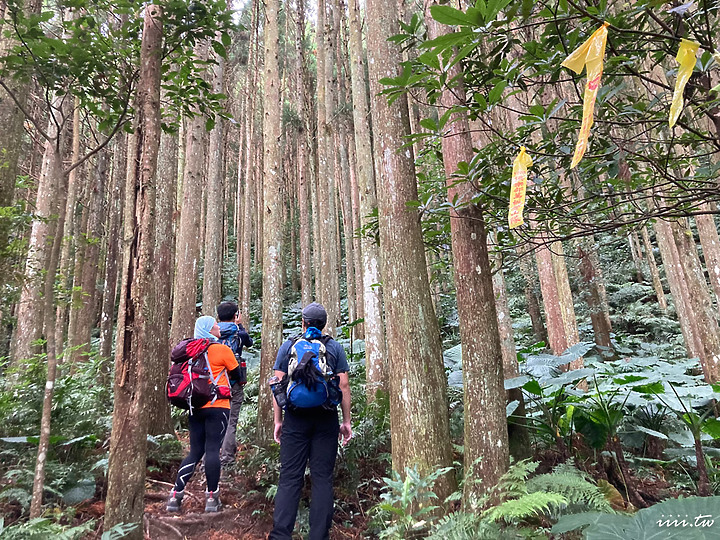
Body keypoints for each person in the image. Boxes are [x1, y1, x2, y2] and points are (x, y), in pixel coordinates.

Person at [270, 302, 352, 540]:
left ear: (303, 322)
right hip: (326, 418)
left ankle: (280, 535)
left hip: (295, 418)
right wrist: (346, 422)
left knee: (289, 477)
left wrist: (278, 420)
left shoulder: (288, 346)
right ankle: (318, 536)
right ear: (324, 324)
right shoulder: (334, 348)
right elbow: (344, 386)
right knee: (322, 478)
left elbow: (278, 385)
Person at [166, 315, 241, 513]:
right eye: (215, 326)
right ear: (209, 330)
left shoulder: (190, 352)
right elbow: (238, 375)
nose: (218, 328)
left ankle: (175, 496)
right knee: (213, 450)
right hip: (219, 406)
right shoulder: (222, 350)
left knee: (195, 452)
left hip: (195, 406)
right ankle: (212, 498)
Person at [216, 301, 253, 465]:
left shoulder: (212, 332)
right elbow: (249, 343)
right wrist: (241, 325)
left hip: (215, 380)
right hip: (235, 380)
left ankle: (207, 457)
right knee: (231, 420)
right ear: (235, 315)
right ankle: (227, 459)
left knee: (214, 419)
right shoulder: (239, 333)